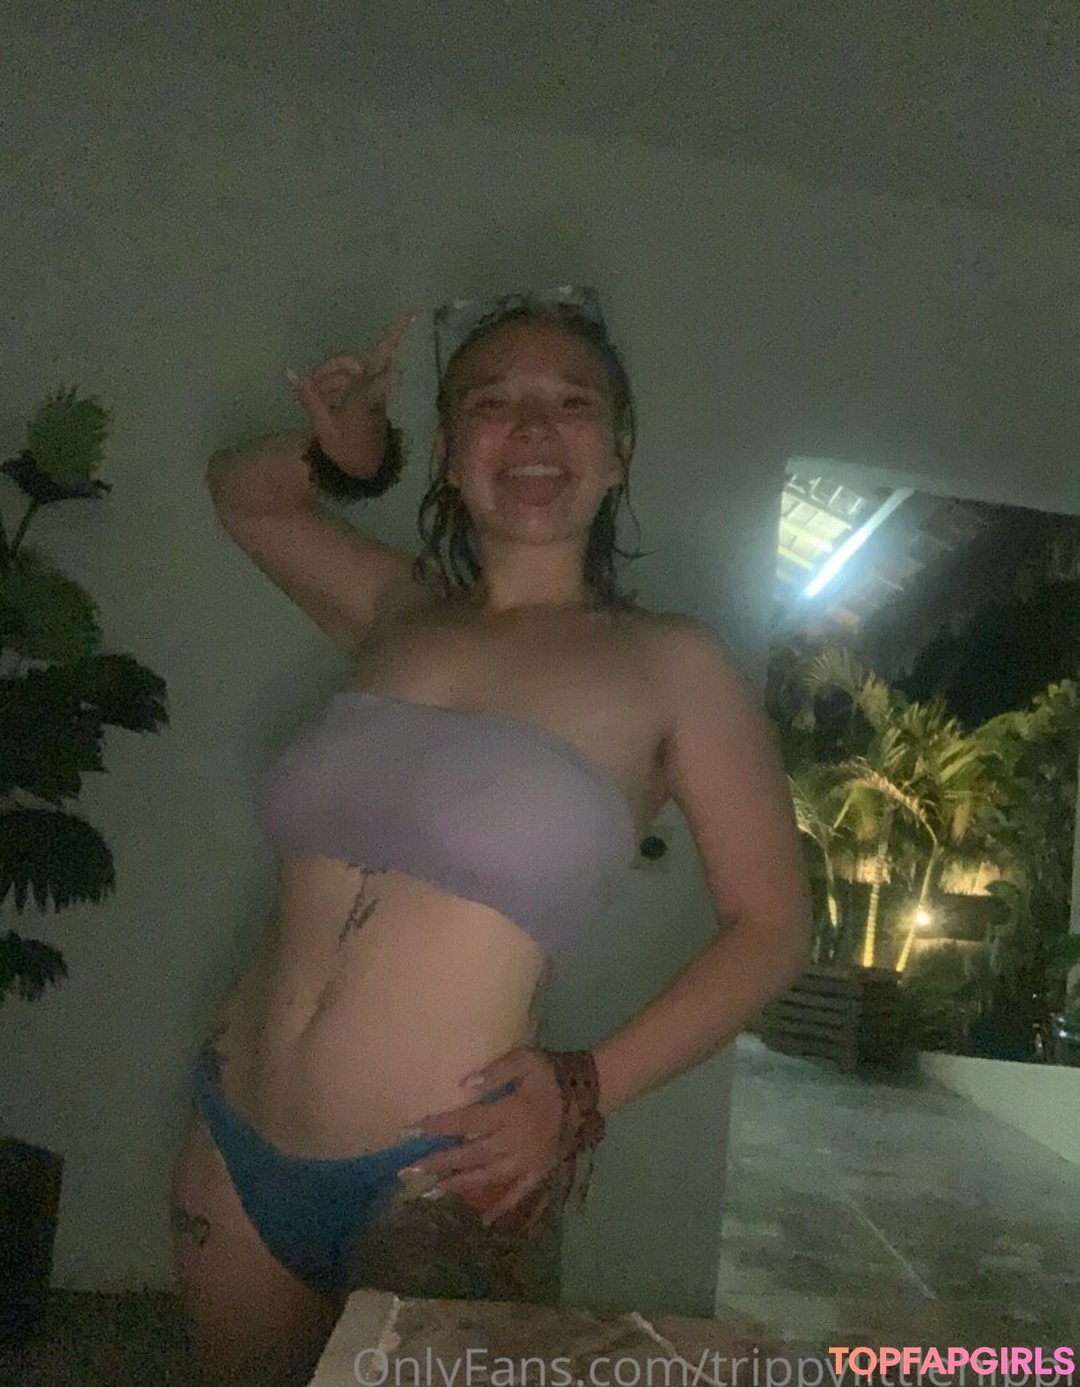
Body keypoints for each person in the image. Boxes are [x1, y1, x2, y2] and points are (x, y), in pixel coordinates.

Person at [171, 293, 811, 1386]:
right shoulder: (398, 611)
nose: (531, 429)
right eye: (492, 403)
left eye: (572, 403)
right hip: (236, 1140)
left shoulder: (673, 665)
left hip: (443, 1178)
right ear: (449, 451)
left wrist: (586, 1087)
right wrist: (346, 455)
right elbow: (246, 496)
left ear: (618, 454)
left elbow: (773, 926)